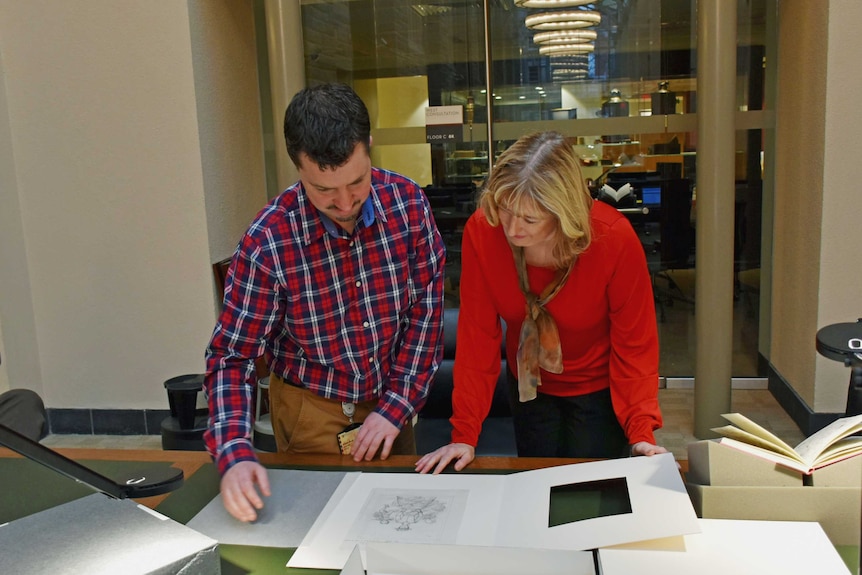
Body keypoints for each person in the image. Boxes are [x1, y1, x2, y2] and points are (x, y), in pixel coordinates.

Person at [204, 83, 446, 521]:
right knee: (319, 527)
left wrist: (395, 408)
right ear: (297, 166)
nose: (345, 201)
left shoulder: (410, 208)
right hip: (309, 407)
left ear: (368, 147)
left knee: (397, 524)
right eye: (324, 190)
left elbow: (424, 319)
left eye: (357, 181)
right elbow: (231, 358)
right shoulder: (269, 241)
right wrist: (234, 450)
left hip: (390, 399)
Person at [416, 131, 667, 475]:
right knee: (537, 488)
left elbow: (635, 344)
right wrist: (465, 433)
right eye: (506, 211)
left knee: (589, 495)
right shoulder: (484, 230)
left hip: (599, 390)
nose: (513, 229)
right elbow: (477, 337)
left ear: (564, 214)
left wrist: (640, 427)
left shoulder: (612, 238)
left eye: (530, 219)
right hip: (529, 387)